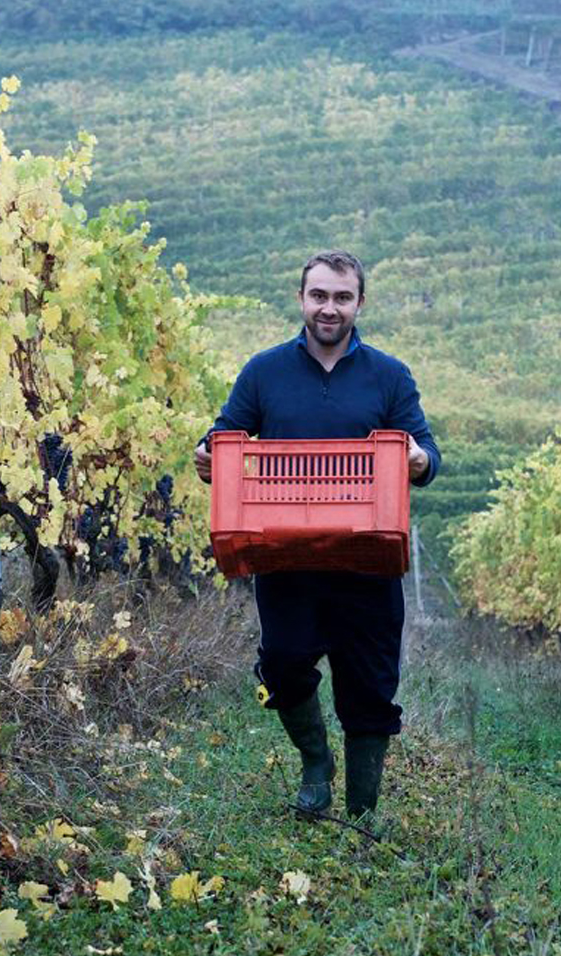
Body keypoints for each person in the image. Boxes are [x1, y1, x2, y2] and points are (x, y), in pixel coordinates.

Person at [194, 250, 440, 821]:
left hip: (368, 558)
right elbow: (226, 436)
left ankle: (362, 817)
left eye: (342, 297)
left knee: (370, 688)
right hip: (286, 557)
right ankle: (315, 763)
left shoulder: (390, 376)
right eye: (320, 296)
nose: (330, 308)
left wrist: (419, 460)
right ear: (302, 299)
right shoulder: (264, 372)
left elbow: (426, 451)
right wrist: (207, 455)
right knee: (282, 665)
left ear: (360, 303)